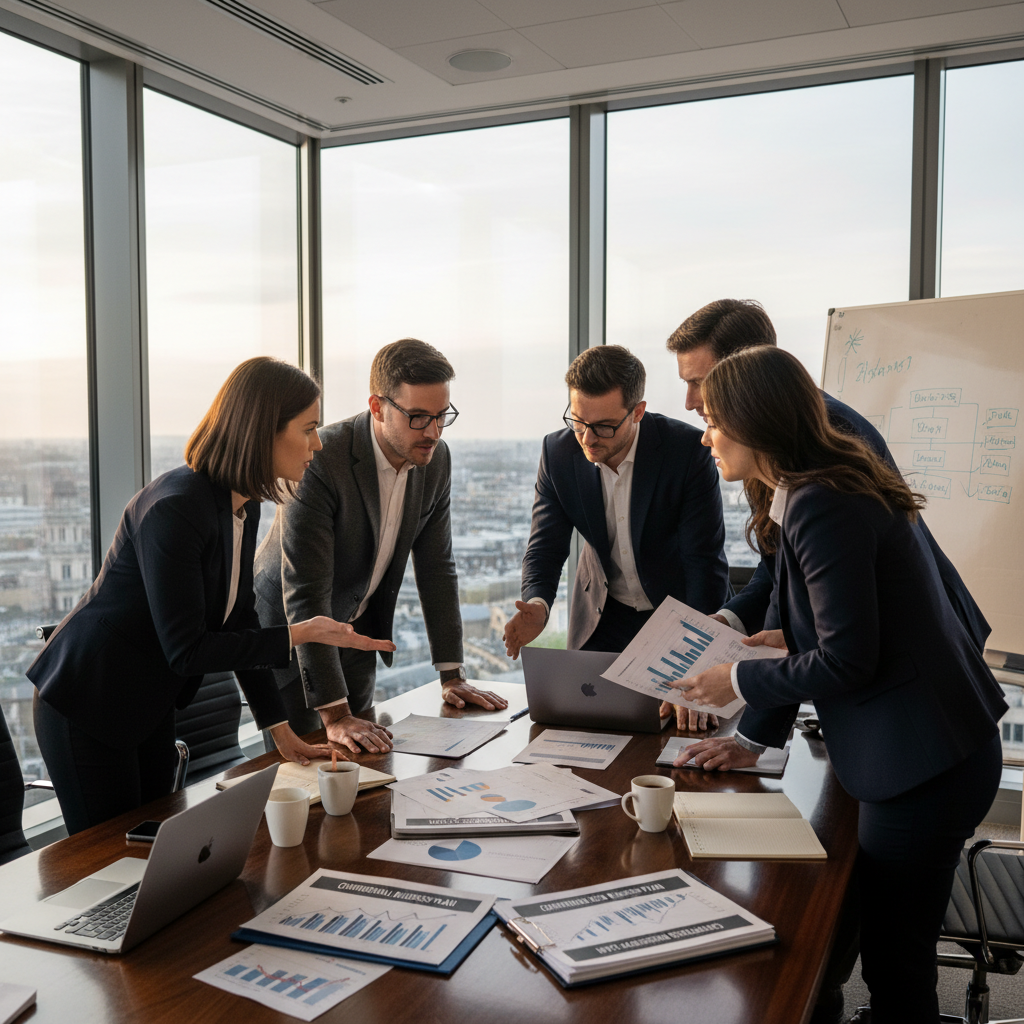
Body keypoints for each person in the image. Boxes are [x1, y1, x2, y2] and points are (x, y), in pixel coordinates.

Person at [673, 345, 1007, 1024]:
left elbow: (851, 660)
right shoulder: (811, 488)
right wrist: (783, 640)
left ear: (755, 422)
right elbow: (852, 629)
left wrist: (738, 678)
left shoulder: (822, 502)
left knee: (895, 959)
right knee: (891, 947)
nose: (705, 435)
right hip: (930, 746)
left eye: (713, 420)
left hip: (927, 760)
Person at [28, 357, 394, 835]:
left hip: (145, 703)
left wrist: (279, 729)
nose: (316, 445)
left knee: (152, 849)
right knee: (108, 861)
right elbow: (187, 650)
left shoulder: (241, 505)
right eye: (307, 429)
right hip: (88, 701)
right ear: (263, 431)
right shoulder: (176, 508)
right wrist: (300, 633)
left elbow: (239, 619)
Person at [254, 338, 507, 756]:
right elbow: (305, 590)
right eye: (419, 417)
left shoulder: (435, 459)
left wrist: (452, 675)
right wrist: (334, 715)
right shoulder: (323, 458)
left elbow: (437, 567)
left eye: (442, 416)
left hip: (356, 636)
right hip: (292, 641)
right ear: (377, 407)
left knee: (369, 768)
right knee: (305, 779)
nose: (433, 432)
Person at [502, 345, 729, 730]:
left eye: (604, 426)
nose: (588, 438)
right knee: (582, 728)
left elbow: (703, 564)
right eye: (578, 421)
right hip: (603, 616)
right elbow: (545, 547)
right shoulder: (557, 453)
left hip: (679, 613)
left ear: (637, 412)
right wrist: (538, 604)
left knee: (682, 731)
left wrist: (698, 653)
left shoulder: (686, 451)